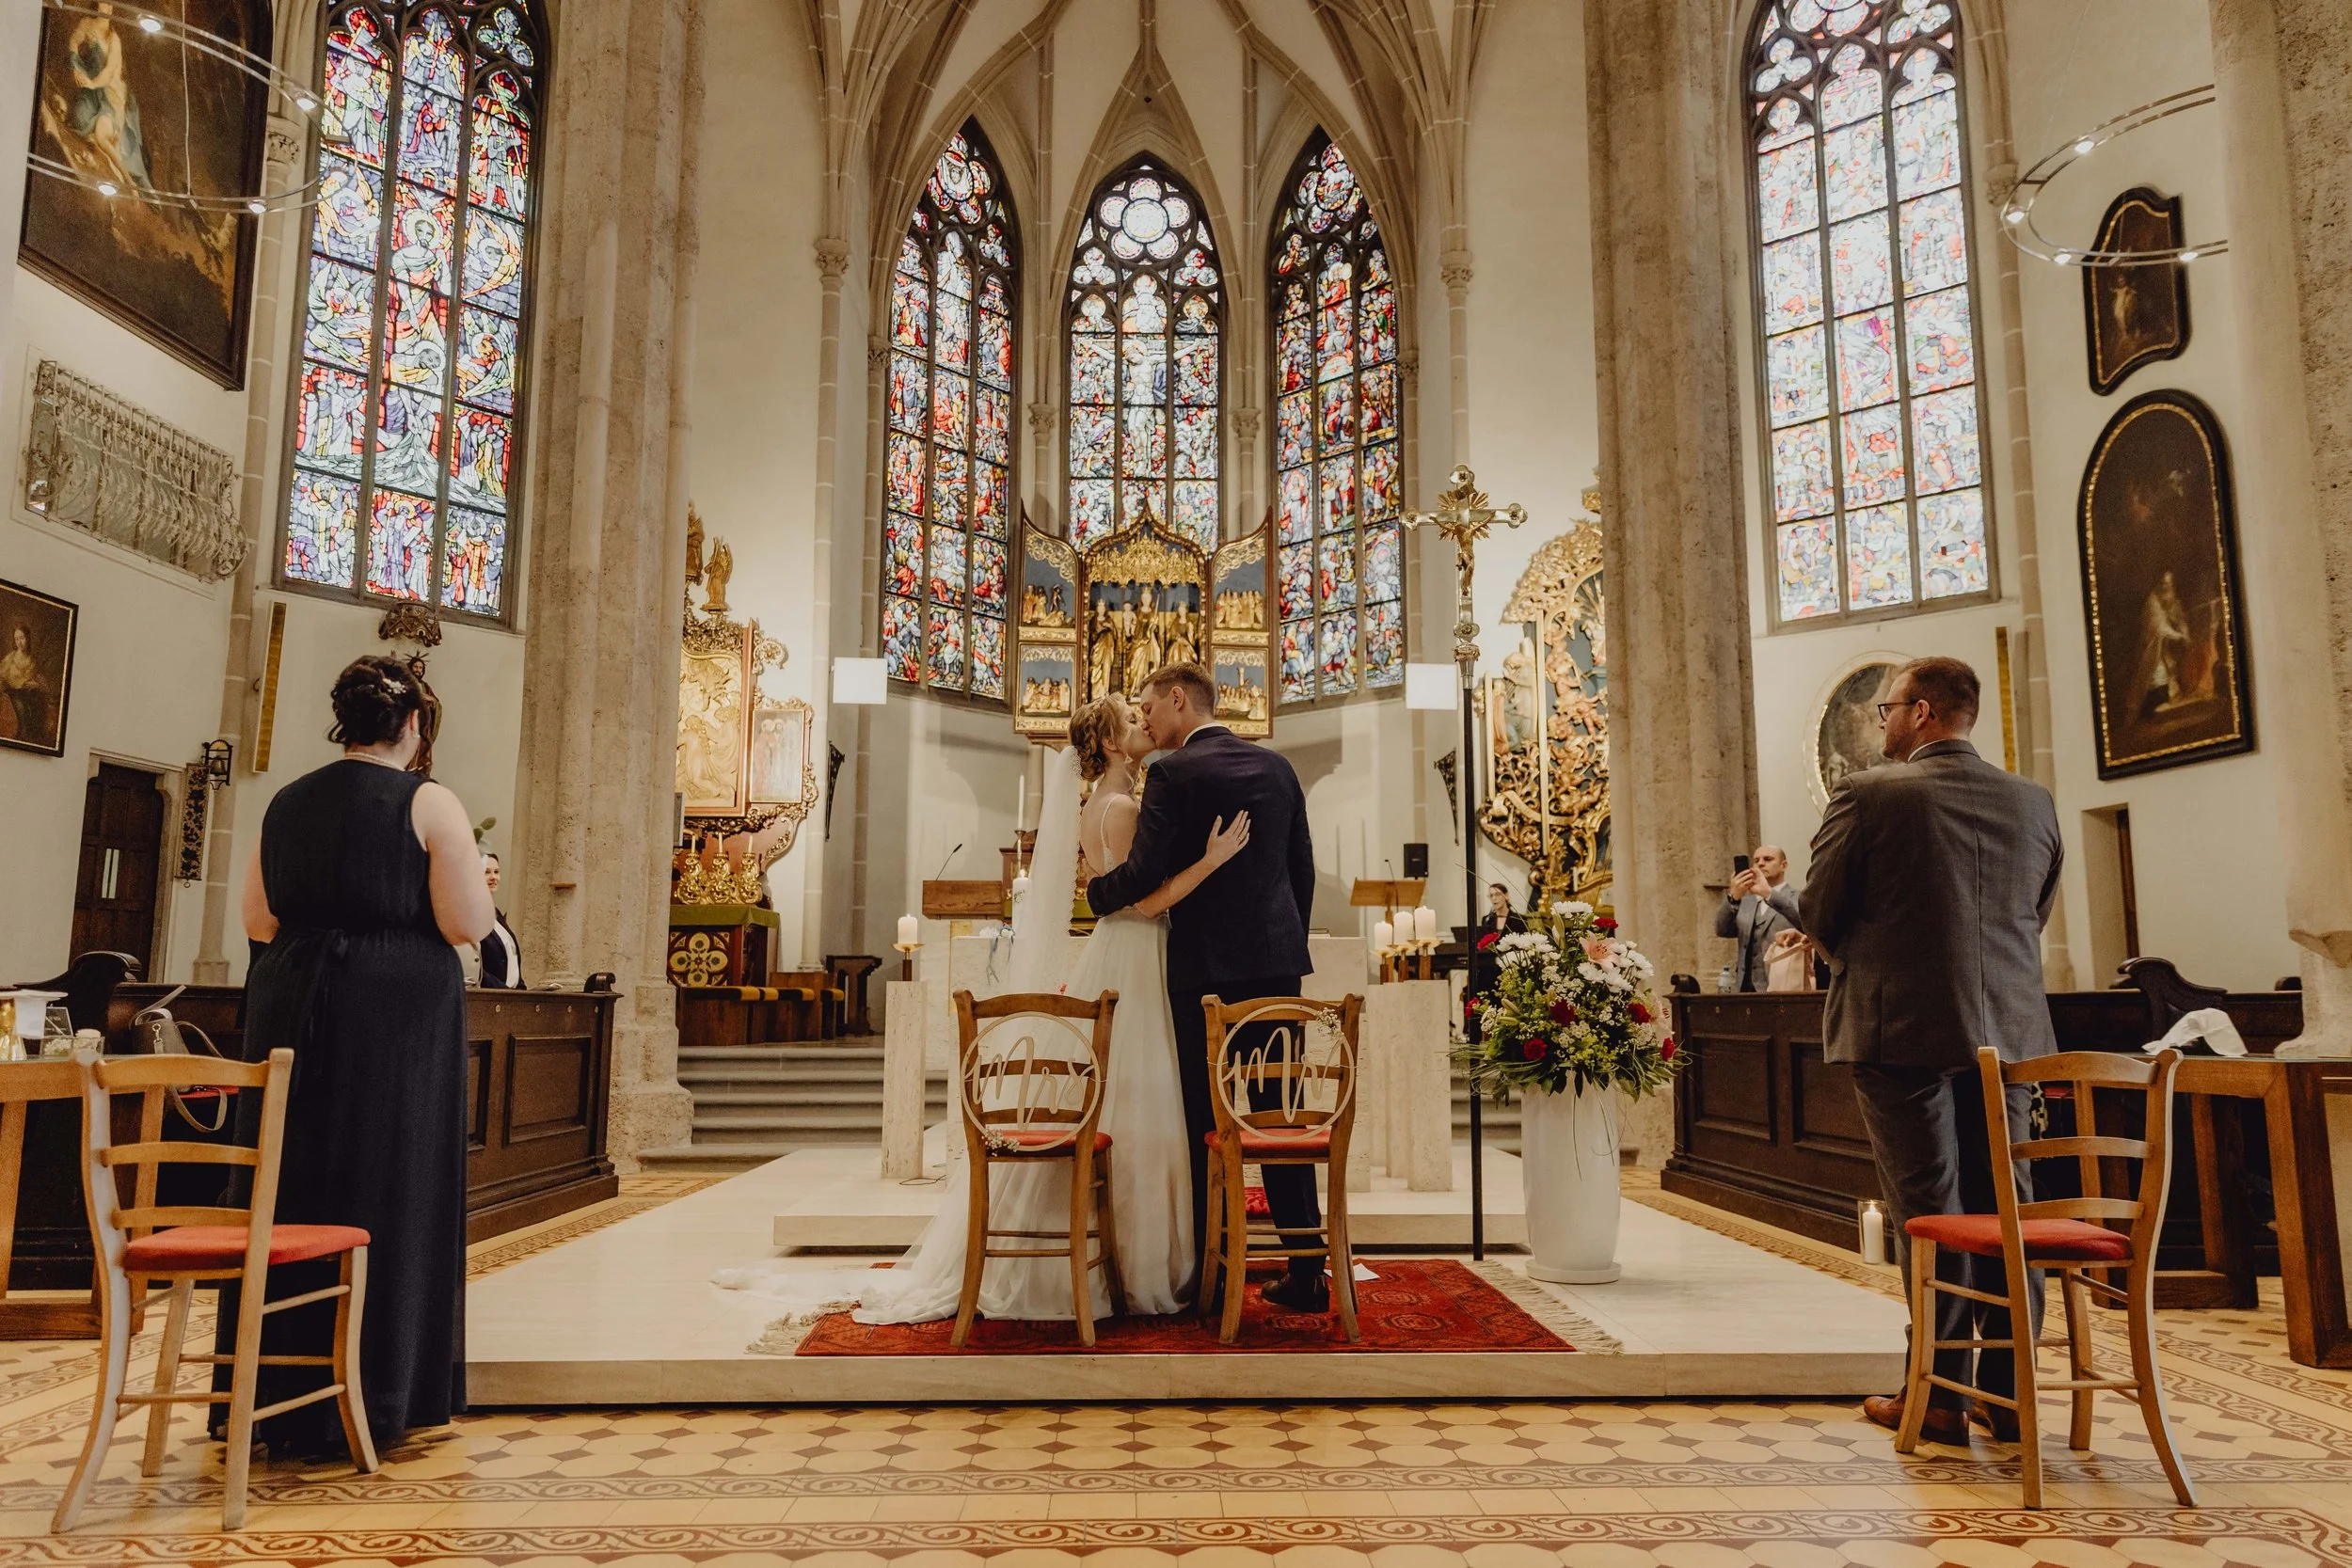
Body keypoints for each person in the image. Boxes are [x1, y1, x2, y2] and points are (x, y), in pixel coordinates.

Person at [855, 692, 1248, 1323]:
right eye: (1131, 721)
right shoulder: (1120, 807)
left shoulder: (1105, 801)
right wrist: (1212, 859)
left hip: (1121, 952)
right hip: (1137, 952)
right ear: (1114, 744)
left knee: (1126, 1096)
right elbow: (1144, 902)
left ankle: (1121, 1253)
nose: (1143, 723)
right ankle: (1141, 1263)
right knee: (1141, 1101)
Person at [222, 656, 492, 1457]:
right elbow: (467, 921)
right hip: (394, 1011)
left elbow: (259, 917)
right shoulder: (429, 801)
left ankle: (277, 1390)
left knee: (291, 1177)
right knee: (389, 1179)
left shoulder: (287, 799)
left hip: (288, 995)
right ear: (412, 726)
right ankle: (382, 1389)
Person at [1799, 656, 2062, 1447]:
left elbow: (1819, 909)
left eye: (1886, 710)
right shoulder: (2034, 800)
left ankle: (1940, 1398)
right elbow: (2034, 910)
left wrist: (1876, 956)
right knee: (2004, 1208)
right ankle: (2008, 1395)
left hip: (1901, 1029)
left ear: (1921, 712)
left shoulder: (1869, 794)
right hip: (2009, 1035)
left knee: (1931, 1212)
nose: (1882, 724)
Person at [1086, 662, 1327, 1314]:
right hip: (1276, 969)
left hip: (1202, 976)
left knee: (1202, 1120)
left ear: (1178, 698)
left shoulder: (1172, 773)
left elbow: (1141, 874)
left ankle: (1207, 1275)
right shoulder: (1277, 768)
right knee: (1278, 1116)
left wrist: (1092, 891)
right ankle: (1308, 1271)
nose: (1148, 721)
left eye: (1150, 707)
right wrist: (1283, 943)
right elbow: (1301, 869)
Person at [1714, 844, 1803, 992]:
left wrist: (1769, 894)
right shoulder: (1746, 902)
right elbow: (1721, 930)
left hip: (1785, 986)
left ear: (1783, 865)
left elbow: (1804, 924)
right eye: (1756, 860)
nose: (1761, 863)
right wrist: (1733, 897)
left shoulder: (1799, 898)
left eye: (1768, 859)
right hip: (1744, 989)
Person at [1465, 882, 1526, 1031]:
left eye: (1497, 894)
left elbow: (1523, 944)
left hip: (1510, 967)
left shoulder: (1518, 919)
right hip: (1489, 967)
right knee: (1475, 984)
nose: (1494, 898)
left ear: (1506, 896)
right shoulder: (1487, 920)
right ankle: (1477, 1028)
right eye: (1491, 895)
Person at [476, 851, 524, 989]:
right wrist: (502, 991)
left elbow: (512, 960)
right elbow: (475, 968)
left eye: (496, 872)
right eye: (486, 872)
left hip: (511, 999)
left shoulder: (497, 915)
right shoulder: (470, 915)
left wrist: (521, 991)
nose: (493, 877)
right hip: (490, 998)